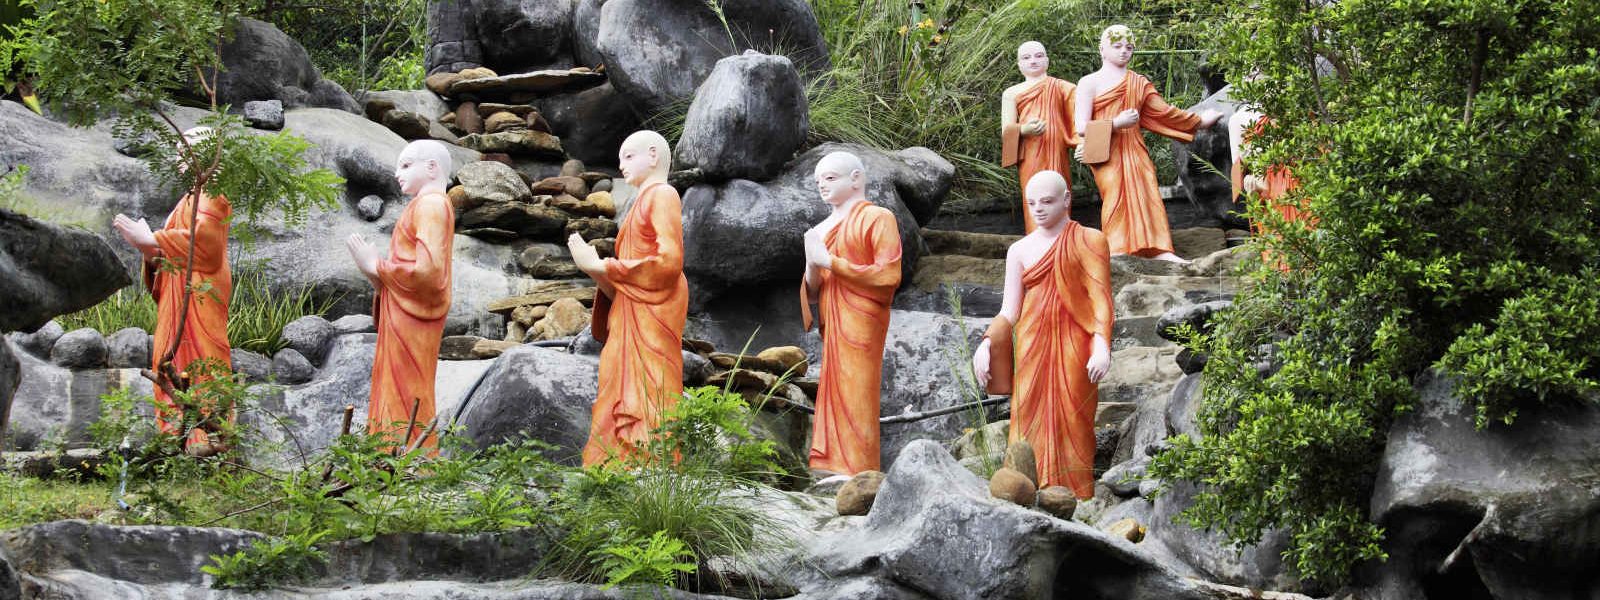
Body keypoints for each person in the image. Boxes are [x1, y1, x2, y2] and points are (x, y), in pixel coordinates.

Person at [973, 170, 1112, 498]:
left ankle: (1076, 494)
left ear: (1066, 200)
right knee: (1027, 412)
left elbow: (1100, 299)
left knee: (1075, 415)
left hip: (1075, 342)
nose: (1038, 209)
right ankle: (1022, 487)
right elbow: (1009, 310)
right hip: (1032, 343)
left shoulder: (1090, 240)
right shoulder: (1019, 250)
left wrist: (1102, 343)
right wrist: (987, 343)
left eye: (1047, 201)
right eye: (1031, 202)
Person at [569, 130, 689, 466]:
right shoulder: (640, 202)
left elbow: (669, 262)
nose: (620, 165)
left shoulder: (662, 195)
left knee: (651, 385)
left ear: (653, 155)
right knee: (615, 384)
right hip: (630, 309)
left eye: (628, 156)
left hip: (655, 309)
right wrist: (595, 270)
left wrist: (604, 264)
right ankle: (613, 464)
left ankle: (651, 464)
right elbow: (624, 281)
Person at [112, 126, 234, 457]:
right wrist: (151, 253)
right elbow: (173, 252)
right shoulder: (190, 198)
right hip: (177, 290)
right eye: (181, 150)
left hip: (201, 290)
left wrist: (153, 240)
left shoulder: (213, 194)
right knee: (168, 356)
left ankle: (210, 438)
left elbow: (207, 248)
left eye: (190, 149)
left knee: (202, 359)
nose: (182, 156)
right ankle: (176, 438)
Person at [1074, 24, 1221, 263]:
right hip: (1107, 153)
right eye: (1117, 46)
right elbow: (1080, 126)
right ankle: (1118, 249)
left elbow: (1164, 113)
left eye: (1129, 47)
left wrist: (1200, 121)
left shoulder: (1138, 82)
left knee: (1147, 193)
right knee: (1116, 197)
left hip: (1134, 149)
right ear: (1102, 49)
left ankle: (1160, 249)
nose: (1124, 51)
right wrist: (1116, 123)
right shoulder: (1089, 83)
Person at [346, 140, 456, 453]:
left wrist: (377, 265)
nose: (397, 173)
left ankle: (408, 459)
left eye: (406, 165)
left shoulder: (431, 205)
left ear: (432, 167)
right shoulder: (425, 204)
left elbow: (429, 272)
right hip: (402, 309)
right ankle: (390, 455)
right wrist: (375, 275)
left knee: (407, 385)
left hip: (414, 313)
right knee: (396, 383)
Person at [800, 151, 903, 477]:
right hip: (833, 318)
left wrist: (830, 262)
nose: (823, 186)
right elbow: (813, 290)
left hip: (862, 319)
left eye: (830, 178)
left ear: (856, 179)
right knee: (833, 386)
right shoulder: (819, 230)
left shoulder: (878, 217)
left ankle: (859, 466)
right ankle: (829, 463)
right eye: (819, 181)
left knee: (857, 386)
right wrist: (814, 265)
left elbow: (888, 275)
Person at [1000, 41, 1077, 233]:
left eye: (1038, 56)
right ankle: (1036, 239)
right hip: (1031, 155)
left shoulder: (1064, 88)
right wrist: (1025, 129)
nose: (1033, 61)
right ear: (1019, 64)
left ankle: (1064, 241)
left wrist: (1083, 143)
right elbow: (1006, 130)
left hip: (1056, 151)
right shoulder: (1011, 93)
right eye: (1026, 57)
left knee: (1059, 192)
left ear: (1047, 61)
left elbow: (1078, 122)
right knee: (1035, 195)